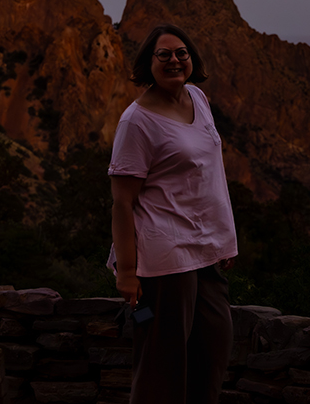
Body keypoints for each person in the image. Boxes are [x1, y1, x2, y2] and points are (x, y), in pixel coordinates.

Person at [108, 23, 238, 404]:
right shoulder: (137, 121)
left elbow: (208, 178)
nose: (174, 60)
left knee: (212, 350)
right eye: (163, 54)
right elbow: (122, 202)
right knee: (161, 364)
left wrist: (223, 239)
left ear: (191, 59)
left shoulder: (198, 98)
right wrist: (128, 274)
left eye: (181, 52)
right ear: (148, 63)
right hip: (164, 260)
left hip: (206, 252)